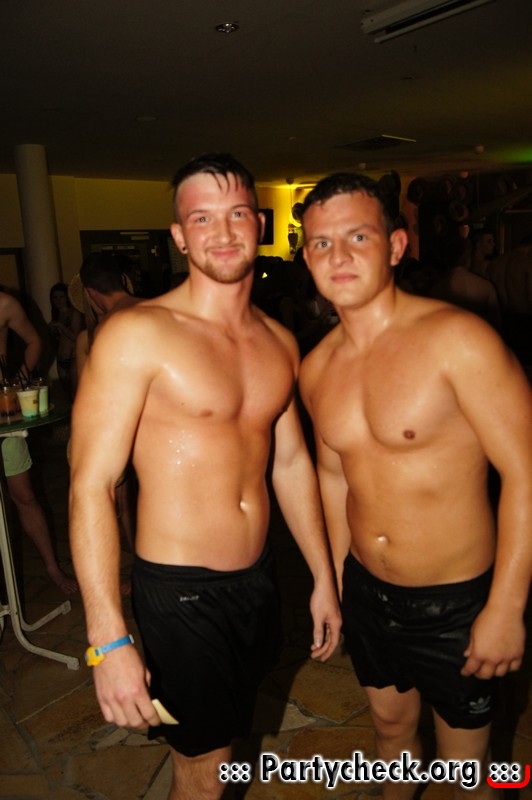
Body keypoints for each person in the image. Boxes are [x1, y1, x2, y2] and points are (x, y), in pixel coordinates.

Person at [69, 153, 341, 800]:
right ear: (179, 236)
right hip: (182, 594)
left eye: (237, 214)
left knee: (230, 743)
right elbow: (90, 484)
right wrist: (108, 640)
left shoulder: (279, 340)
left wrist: (323, 575)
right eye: (202, 219)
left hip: (257, 581)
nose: (222, 232)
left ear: (259, 224)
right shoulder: (137, 334)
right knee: (204, 771)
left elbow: (290, 463)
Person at [298, 173, 532, 799]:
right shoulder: (315, 367)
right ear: (306, 259)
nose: (339, 256)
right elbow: (332, 476)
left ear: (396, 246)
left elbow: (526, 472)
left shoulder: (459, 341)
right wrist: (334, 582)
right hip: (368, 593)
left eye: (358, 237)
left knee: (467, 767)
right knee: (389, 733)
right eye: (321, 243)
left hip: (457, 601)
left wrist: (505, 608)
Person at [0, 290, 77, 595]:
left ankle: (52, 568)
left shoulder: (4, 304)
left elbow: (35, 341)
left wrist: (17, 379)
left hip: (3, 413)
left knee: (23, 494)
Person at [48, 282, 84, 400]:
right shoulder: (56, 316)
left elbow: (75, 336)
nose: (58, 300)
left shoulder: (74, 313)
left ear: (67, 297)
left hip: (73, 357)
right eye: (55, 297)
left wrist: (60, 326)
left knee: (77, 395)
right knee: (68, 396)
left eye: (61, 297)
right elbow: (54, 343)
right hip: (61, 358)